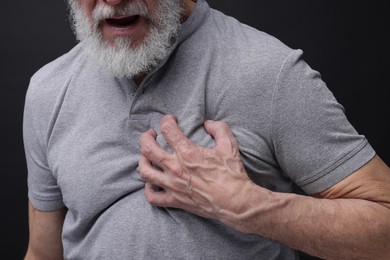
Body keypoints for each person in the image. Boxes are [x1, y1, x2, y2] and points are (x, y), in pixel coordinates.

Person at [23, 0, 390, 259]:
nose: (114, 0)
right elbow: (43, 253)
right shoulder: (48, 91)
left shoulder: (267, 71)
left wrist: (251, 207)